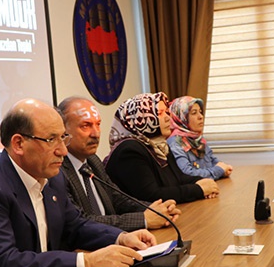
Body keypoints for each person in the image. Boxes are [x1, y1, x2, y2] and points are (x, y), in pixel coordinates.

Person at [0, 98, 157, 267]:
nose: (63, 150)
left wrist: (121, 237)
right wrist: (87, 263)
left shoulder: (53, 177)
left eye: (63, 138)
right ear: (18, 144)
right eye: (51, 140)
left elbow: (76, 226)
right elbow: (7, 264)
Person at [57, 96, 181, 232]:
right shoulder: (58, 171)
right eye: (85, 126)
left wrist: (156, 210)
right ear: (63, 130)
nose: (96, 134)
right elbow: (82, 221)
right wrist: (144, 219)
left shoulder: (93, 161)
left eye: (98, 124)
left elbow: (117, 199)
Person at [104, 92, 219, 204]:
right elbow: (152, 195)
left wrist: (203, 182)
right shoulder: (129, 150)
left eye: (167, 112)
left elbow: (179, 178)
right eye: (160, 113)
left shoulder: (159, 145)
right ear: (142, 118)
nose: (168, 118)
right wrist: (199, 190)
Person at [168, 96, 233, 180]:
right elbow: (188, 174)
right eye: (194, 113)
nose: (201, 116)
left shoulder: (198, 139)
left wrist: (224, 167)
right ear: (181, 117)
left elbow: (212, 160)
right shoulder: (175, 143)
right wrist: (219, 170)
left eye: (200, 112)